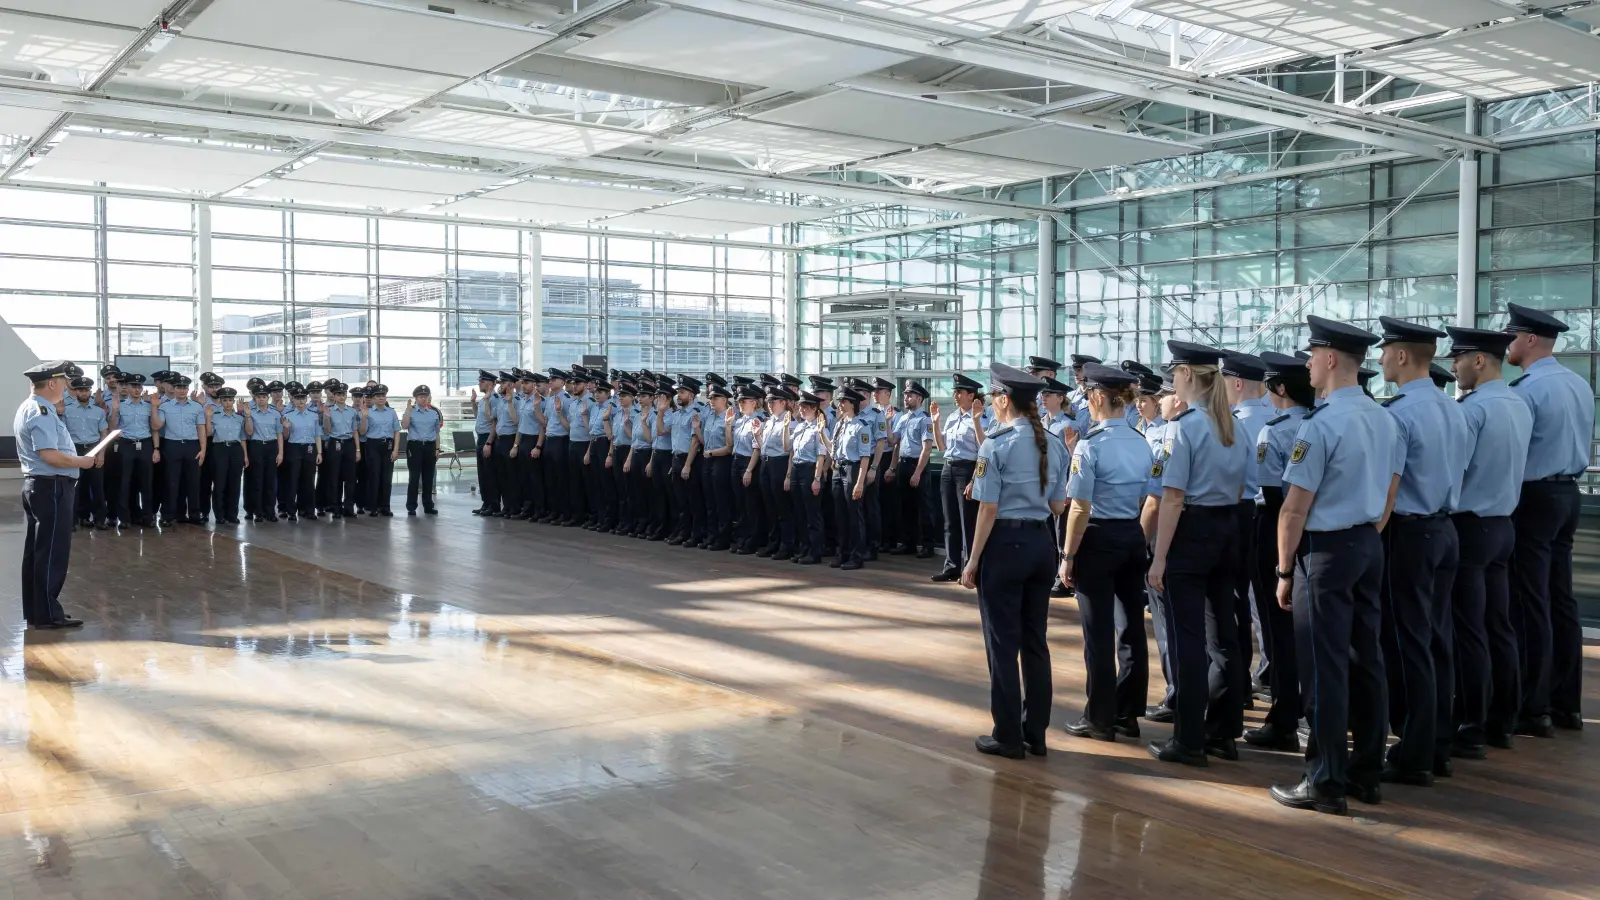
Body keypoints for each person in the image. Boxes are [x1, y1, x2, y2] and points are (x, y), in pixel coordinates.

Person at [1269, 316, 1400, 816]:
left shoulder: (1320, 425)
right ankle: (1366, 771)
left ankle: (1324, 779)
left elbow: (1294, 508)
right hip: (1368, 542)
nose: (1305, 364)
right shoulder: (1384, 418)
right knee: (1366, 659)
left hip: (1325, 550)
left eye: (1310, 355)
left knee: (1323, 666)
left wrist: (1284, 572)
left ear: (1328, 360)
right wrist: (1366, 534)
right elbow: (1390, 492)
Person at [1375, 316, 1469, 786]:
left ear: (1403, 356)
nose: (1380, 358)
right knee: (1437, 641)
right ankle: (1437, 745)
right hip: (1446, 529)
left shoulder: (1400, 414)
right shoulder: (1454, 409)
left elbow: (1388, 492)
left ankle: (1413, 755)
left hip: (1410, 533)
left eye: (1386, 351)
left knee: (1408, 644)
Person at [1145, 340, 1248, 767]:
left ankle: (1188, 739)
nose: (1171, 380)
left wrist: (1159, 558)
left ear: (1188, 375)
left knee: (1188, 640)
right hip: (1227, 527)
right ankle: (1223, 731)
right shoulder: (1234, 426)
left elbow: (1171, 498)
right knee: (1223, 634)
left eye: (1175, 373)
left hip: (1192, 531)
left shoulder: (1183, 428)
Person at [963, 363, 1068, 759]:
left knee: (1002, 644)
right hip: (1042, 544)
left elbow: (987, 508)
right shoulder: (1054, 443)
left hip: (1006, 547)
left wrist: (972, 561)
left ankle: (1007, 734)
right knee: (1035, 643)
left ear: (1004, 400)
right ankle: (1035, 733)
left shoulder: (997, 443)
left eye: (993, 397)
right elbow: (1059, 505)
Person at [1504, 303, 1592, 736]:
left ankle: (1533, 706)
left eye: (1513, 335)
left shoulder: (1527, 390)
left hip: (1534, 496)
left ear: (1531, 340)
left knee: (1529, 600)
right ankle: (1566, 704)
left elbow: (1514, 454)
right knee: (1562, 600)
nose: (1508, 343)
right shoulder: (1579, 384)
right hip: (1566, 495)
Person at [1445, 326, 1531, 758]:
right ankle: (1502, 722)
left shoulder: (1471, 411)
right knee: (1500, 625)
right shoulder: (1519, 404)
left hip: (1471, 526)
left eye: (1458, 358)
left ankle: (1471, 725)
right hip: (1502, 526)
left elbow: (1453, 470)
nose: (1453, 366)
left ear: (1479, 360)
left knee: (1468, 630)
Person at [1059, 364, 1153, 742]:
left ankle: (1099, 716)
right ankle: (1128, 714)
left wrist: (1067, 556)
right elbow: (1149, 494)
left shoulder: (1090, 444)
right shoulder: (1140, 439)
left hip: (1098, 539)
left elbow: (1079, 506)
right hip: (1132, 533)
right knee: (1131, 628)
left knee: (1097, 632)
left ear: (1097, 397)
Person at [1242, 351, 1314, 754]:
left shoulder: (1275, 431)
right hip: (1315, 529)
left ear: (1280, 389)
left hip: (1275, 527)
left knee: (1277, 631)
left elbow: (1271, 496)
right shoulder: (1317, 421)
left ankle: (1285, 717)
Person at [15, 361, 97, 629]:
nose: (67, 387)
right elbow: (49, 455)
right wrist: (81, 462)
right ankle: (48, 614)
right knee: (52, 551)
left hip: (41, 486)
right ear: (52, 383)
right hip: (50, 487)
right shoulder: (41, 411)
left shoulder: (32, 407)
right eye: (64, 381)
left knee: (38, 552)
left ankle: (38, 611)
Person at [1223, 351, 1274, 696]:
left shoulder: (1234, 423)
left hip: (1242, 514)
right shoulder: (1280, 417)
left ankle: (1241, 684)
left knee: (1239, 602)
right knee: (1269, 605)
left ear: (1237, 382)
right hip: (1274, 515)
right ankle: (1270, 675)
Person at [932, 374, 983, 583]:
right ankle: (952, 566)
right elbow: (942, 446)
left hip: (967, 469)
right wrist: (935, 423)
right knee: (950, 520)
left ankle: (970, 568)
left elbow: (983, 451)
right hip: (948, 468)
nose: (955, 395)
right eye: (955, 392)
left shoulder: (981, 417)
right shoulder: (952, 416)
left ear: (971, 395)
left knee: (967, 521)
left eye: (959, 392)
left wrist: (974, 480)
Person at [153, 374, 210, 526]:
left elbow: (201, 429)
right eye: (179, 387)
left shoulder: (197, 407)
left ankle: (194, 514)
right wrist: (154, 407)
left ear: (188, 389)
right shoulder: (165, 406)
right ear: (174, 388)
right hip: (172, 445)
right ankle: (168, 515)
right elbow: (157, 426)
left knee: (193, 482)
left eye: (184, 387)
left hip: (192, 446)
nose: (182, 390)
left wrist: (203, 449)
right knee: (171, 482)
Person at [889, 380, 935, 558]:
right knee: (905, 506)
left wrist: (918, 472)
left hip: (918, 465)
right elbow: (893, 441)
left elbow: (927, 448)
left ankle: (927, 545)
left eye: (910, 396)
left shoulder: (925, 419)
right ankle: (908, 543)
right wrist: (887, 422)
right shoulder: (903, 418)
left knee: (924, 507)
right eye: (905, 395)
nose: (906, 398)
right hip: (903, 463)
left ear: (919, 398)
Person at [830, 388, 873, 570]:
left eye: (844, 401)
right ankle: (843, 553)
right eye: (840, 401)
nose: (840, 404)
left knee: (854, 515)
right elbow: (832, 448)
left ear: (852, 404)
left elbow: (865, 457)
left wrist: (859, 482)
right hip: (838, 469)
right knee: (840, 514)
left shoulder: (861, 426)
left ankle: (857, 556)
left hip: (853, 469)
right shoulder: (841, 424)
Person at [786, 391, 830, 565]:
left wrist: (817, 478)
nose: (801, 409)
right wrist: (789, 474)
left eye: (805, 407)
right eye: (801, 406)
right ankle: (804, 549)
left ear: (813, 408)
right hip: (797, 468)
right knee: (800, 512)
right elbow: (790, 449)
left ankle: (815, 550)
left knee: (813, 513)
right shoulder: (799, 426)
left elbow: (821, 455)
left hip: (810, 469)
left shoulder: (820, 428)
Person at [109, 373, 157, 528]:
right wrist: (115, 411)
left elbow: (154, 428)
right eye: (133, 386)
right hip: (126, 445)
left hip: (145, 444)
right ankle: (125, 518)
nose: (137, 389)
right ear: (127, 388)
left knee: (147, 483)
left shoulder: (149, 406)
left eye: (139, 387)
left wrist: (156, 448)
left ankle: (147, 517)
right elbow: (112, 428)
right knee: (124, 482)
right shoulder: (120, 405)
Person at [63, 376, 110, 530]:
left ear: (90, 391)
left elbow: (104, 433)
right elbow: (62, 434)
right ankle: (74, 520)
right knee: (75, 487)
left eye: (86, 390)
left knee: (97, 486)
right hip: (74, 450)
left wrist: (101, 454)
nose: (84, 392)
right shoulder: (67, 410)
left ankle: (100, 520)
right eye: (81, 390)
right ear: (76, 391)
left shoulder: (99, 412)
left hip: (93, 449)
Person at [758, 387, 797, 559]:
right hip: (766, 463)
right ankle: (773, 542)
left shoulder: (790, 423)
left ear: (783, 403)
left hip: (780, 464)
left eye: (773, 402)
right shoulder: (769, 422)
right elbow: (763, 446)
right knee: (769, 506)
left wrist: (788, 475)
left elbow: (791, 452)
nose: (770, 405)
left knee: (783, 508)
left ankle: (787, 544)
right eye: (768, 402)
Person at [700, 384, 736, 550]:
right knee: (710, 501)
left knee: (722, 502)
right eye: (711, 398)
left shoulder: (729, 418)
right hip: (708, 459)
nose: (711, 401)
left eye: (715, 398)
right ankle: (711, 535)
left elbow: (730, 447)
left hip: (722, 460)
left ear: (724, 400)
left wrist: (712, 453)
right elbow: (704, 440)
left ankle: (723, 538)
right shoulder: (709, 417)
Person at [732, 384, 766, 554]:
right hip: (736, 460)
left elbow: (756, 449)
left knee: (751, 504)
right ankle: (741, 537)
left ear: (753, 402)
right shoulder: (739, 421)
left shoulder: (757, 421)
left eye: (743, 401)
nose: (740, 403)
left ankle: (752, 540)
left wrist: (749, 470)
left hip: (749, 462)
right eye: (739, 401)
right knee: (740, 504)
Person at [281, 387, 322, 521]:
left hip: (310, 448)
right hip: (294, 448)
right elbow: (286, 437)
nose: (301, 401)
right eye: (298, 398)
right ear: (293, 399)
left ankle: (308, 510)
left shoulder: (313, 415)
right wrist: (286, 428)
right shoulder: (288, 415)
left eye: (303, 398)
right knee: (293, 480)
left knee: (309, 481)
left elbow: (317, 435)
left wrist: (319, 452)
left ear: (306, 399)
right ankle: (291, 511)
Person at [207, 387, 247, 525]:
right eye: (225, 400)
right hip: (220, 449)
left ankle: (232, 514)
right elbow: (208, 433)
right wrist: (208, 418)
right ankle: (219, 514)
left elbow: (242, 437)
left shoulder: (239, 418)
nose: (228, 403)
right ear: (221, 401)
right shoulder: (215, 416)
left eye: (230, 400)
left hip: (236, 449)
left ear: (234, 401)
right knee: (220, 482)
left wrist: (245, 456)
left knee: (235, 483)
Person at [243, 384, 282, 523]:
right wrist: (247, 417)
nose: (261, 399)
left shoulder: (275, 413)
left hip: (272, 446)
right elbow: (248, 432)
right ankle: (258, 512)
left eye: (264, 396)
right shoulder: (250, 412)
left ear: (268, 397)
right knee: (257, 480)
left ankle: (270, 511)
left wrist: (280, 453)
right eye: (259, 397)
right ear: (255, 398)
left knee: (270, 481)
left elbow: (279, 434)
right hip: (256, 446)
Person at [403, 385, 443, 515]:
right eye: (420, 397)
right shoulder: (411, 411)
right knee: (414, 476)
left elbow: (437, 433)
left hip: (430, 446)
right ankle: (411, 506)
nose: (423, 399)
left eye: (425, 396)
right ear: (416, 398)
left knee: (428, 476)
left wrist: (437, 448)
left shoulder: (434, 413)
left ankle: (428, 505)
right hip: (415, 446)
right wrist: (408, 411)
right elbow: (404, 426)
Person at [322, 382, 360, 519]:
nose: (341, 396)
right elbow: (326, 430)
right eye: (338, 394)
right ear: (334, 396)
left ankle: (349, 507)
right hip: (335, 443)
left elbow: (355, 431)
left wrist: (358, 450)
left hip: (349, 444)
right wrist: (326, 417)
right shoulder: (329, 410)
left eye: (343, 394)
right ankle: (336, 507)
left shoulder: (352, 411)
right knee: (335, 477)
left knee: (350, 478)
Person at [361, 385, 400, 516]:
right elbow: (362, 432)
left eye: (383, 396)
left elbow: (397, 432)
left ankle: (385, 506)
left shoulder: (391, 412)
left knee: (387, 478)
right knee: (374, 476)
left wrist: (395, 450)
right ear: (372, 398)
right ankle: (373, 507)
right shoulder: (368, 412)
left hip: (388, 446)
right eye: (378, 396)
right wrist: (364, 418)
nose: (381, 398)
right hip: (373, 445)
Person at [471, 370, 497, 515]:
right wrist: (473, 402)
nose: (479, 383)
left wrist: (489, 443)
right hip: (480, 437)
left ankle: (493, 504)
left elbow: (494, 422)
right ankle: (485, 503)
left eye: (482, 381)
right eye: (479, 380)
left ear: (491, 384)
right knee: (482, 474)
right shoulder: (483, 399)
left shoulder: (493, 398)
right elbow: (477, 416)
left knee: (489, 474)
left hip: (488, 438)